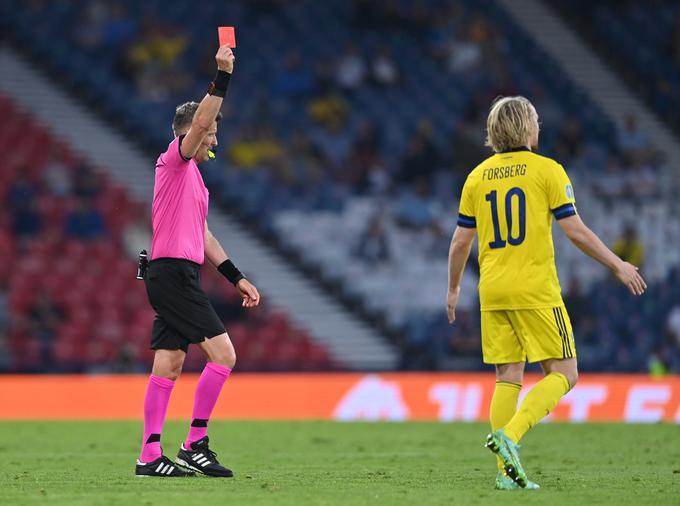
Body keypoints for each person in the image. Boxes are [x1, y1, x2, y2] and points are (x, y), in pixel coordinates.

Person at [446, 96, 646, 490]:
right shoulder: (547, 170)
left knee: (508, 375)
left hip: (493, 290)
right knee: (565, 373)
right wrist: (618, 264)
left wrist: (453, 289)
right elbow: (575, 231)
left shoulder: (477, 176)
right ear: (526, 127)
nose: (539, 128)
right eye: (535, 121)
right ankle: (512, 436)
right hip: (535, 289)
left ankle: (505, 476)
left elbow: (458, 244)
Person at [135, 44, 261, 478]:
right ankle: (195, 443)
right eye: (209, 135)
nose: (215, 140)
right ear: (190, 132)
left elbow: (203, 236)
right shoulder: (174, 160)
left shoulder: (194, 183)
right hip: (171, 273)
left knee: (169, 362)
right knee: (223, 356)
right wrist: (222, 76)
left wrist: (236, 277)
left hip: (175, 271)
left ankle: (150, 455)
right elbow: (203, 118)